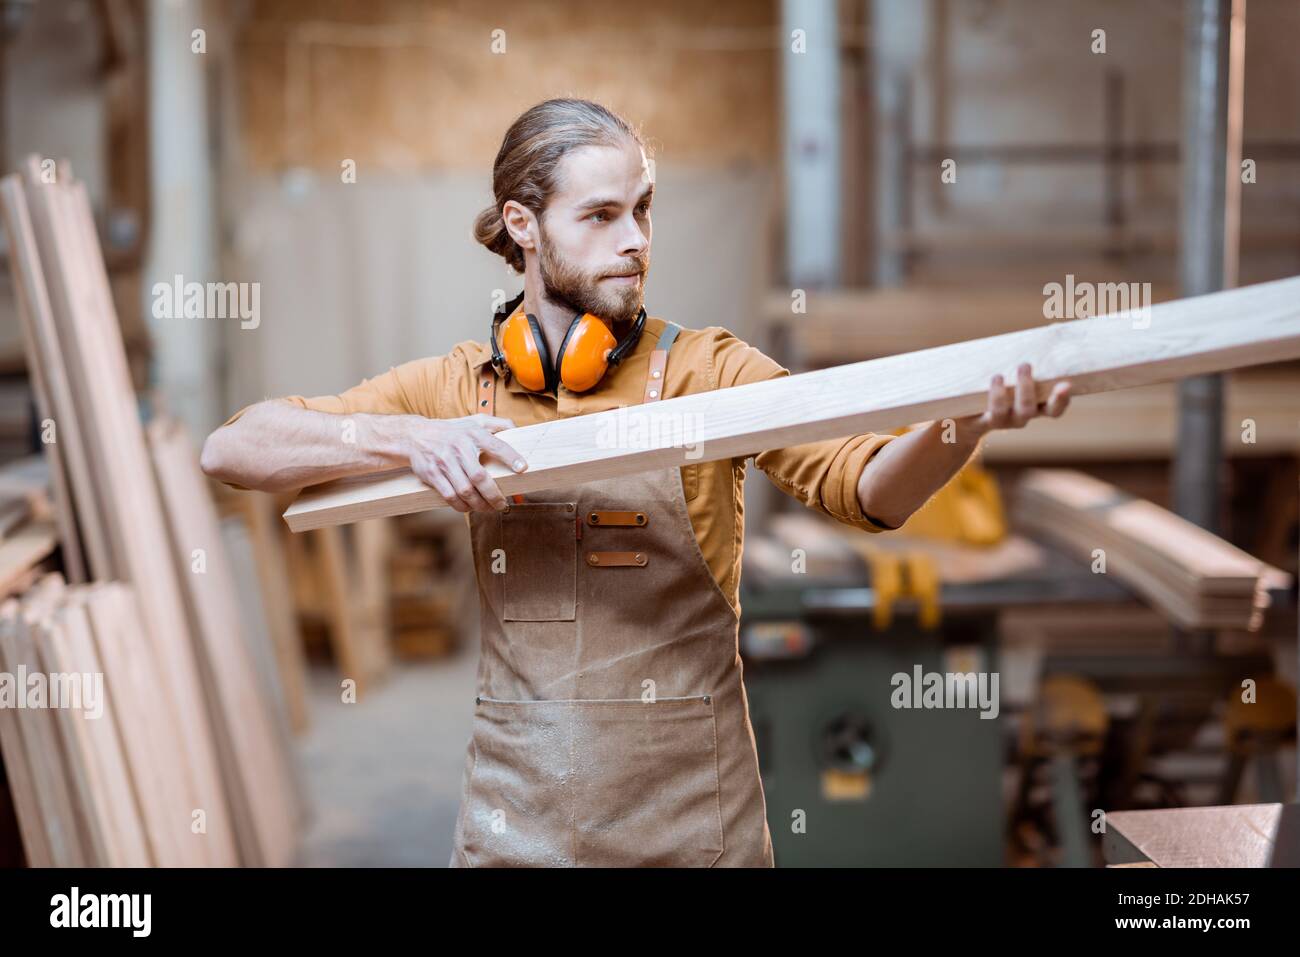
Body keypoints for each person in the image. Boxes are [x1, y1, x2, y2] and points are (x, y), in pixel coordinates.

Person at [201, 98, 1071, 867]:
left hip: (696, 831)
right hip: (516, 834)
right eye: (603, 215)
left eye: (644, 210)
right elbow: (234, 449)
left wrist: (971, 419)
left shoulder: (708, 371)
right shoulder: (465, 389)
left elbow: (871, 489)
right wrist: (408, 437)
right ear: (524, 224)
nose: (636, 241)